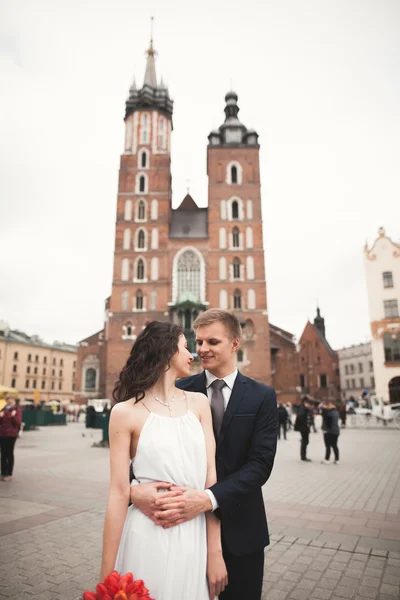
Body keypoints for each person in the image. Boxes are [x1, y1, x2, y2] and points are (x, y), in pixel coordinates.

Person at [130, 309, 278, 600]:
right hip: (182, 529)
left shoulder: (262, 396)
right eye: (198, 342)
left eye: (212, 342)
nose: (202, 350)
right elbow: (143, 449)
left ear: (235, 344)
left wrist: (208, 499)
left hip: (242, 531)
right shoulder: (179, 388)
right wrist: (135, 490)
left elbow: (260, 465)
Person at [101, 321, 227, 600]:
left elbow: (211, 480)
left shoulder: (199, 403)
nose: (193, 354)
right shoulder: (124, 412)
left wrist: (214, 552)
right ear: (168, 351)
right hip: (146, 536)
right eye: (185, 347)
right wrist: (106, 578)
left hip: (194, 538)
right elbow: (118, 493)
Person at [0, 395, 22, 481]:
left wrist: (13, 416)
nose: (9, 401)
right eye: (8, 399)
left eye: (11, 399)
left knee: (9, 453)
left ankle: (9, 474)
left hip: (11, 435)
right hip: (2, 434)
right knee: (3, 454)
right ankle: (3, 473)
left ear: (14, 400)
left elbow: (18, 423)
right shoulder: (3, 409)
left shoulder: (17, 410)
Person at [295, 397, 313, 462]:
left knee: (305, 441)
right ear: (306, 403)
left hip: (304, 428)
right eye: (309, 404)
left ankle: (303, 456)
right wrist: (305, 424)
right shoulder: (303, 408)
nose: (310, 406)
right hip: (303, 428)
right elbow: (300, 416)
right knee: (305, 441)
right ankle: (303, 457)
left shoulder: (305, 408)